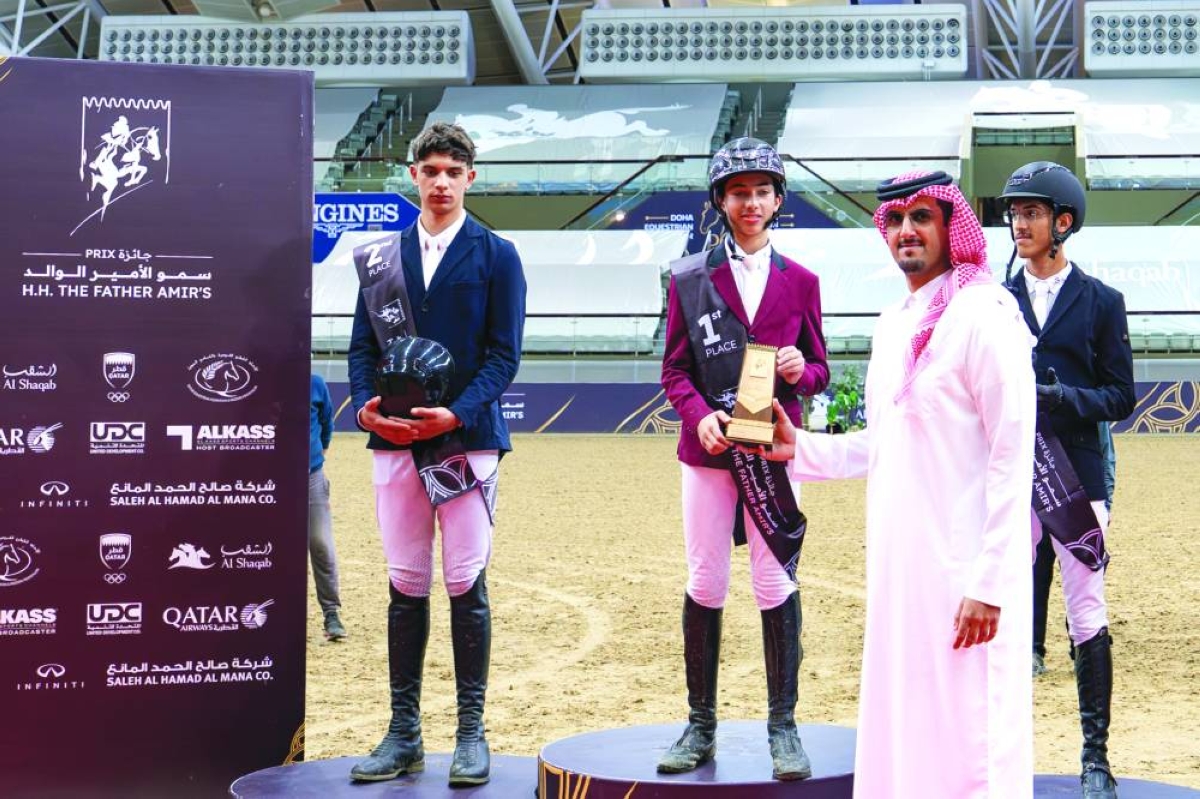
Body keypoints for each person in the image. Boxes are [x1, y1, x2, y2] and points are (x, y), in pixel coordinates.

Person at [755, 170, 1036, 798]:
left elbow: (1011, 457)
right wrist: (802, 448)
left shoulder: (987, 315)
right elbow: (890, 444)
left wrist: (989, 582)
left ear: (951, 227)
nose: (907, 230)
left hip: (967, 572)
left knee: (971, 737)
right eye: (896, 220)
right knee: (905, 726)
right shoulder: (892, 323)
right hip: (901, 571)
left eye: (923, 218)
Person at [346, 122, 526, 787]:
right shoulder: (379, 258)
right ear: (412, 175)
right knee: (404, 583)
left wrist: (460, 411)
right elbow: (362, 348)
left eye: (454, 170)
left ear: (470, 177)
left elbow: (505, 354)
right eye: (431, 170)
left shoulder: (497, 255)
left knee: (464, 582)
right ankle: (403, 732)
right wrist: (366, 403)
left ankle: (471, 732)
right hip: (393, 445)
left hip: (466, 444)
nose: (442, 181)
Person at [658, 137, 830, 781]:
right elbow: (674, 369)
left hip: (773, 452)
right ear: (721, 201)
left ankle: (783, 727)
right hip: (708, 454)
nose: (750, 202)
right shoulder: (687, 276)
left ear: (778, 199)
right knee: (706, 581)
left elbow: (820, 370)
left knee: (775, 580)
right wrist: (699, 415)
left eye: (762, 191)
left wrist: (800, 369)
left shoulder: (803, 282)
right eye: (738, 192)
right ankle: (700, 724)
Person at [1000, 161, 1135, 799]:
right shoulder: (996, 298)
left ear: (1063, 222)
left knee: (1086, 610)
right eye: (1015, 213)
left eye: (1031, 213)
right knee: (999, 598)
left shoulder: (1102, 302)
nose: (1018, 223)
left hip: (1077, 476)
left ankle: (1095, 756)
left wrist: (1056, 396)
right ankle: (998, 746)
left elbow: (1119, 396)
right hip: (1006, 476)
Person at [309, 372, 345, 641]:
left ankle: (331, 613)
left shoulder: (316, 383)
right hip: (271, 478)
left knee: (321, 543)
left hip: (311, 475)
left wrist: (321, 451)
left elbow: (326, 422)